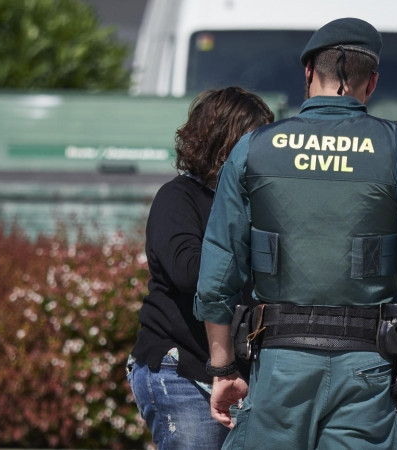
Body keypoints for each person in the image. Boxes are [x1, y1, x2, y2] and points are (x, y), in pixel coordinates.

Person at [194, 18, 397, 450]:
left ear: (307, 71)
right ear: (373, 81)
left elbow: (218, 272)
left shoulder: (253, 148)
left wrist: (222, 369)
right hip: (369, 373)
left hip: (279, 368)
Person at [127, 87, 274, 450]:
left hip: (236, 375)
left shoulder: (259, 202)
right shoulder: (177, 197)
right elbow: (189, 271)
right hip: (181, 371)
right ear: (223, 141)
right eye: (255, 140)